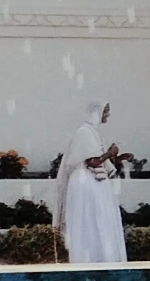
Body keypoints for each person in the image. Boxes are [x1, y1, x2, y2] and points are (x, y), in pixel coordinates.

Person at [54, 104, 129, 267]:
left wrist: (116, 157)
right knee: (90, 220)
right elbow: (93, 161)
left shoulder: (92, 132)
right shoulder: (84, 132)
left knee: (98, 220)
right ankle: (90, 260)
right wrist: (110, 152)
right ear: (96, 112)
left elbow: (98, 160)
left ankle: (102, 257)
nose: (107, 115)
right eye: (105, 111)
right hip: (86, 183)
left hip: (93, 183)